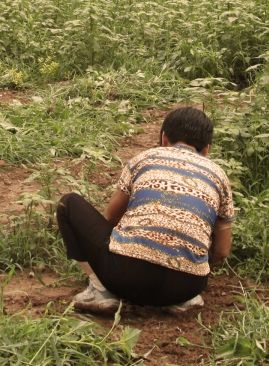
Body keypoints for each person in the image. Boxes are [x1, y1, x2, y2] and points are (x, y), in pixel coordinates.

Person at [55, 106, 234, 315]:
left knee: (68, 203)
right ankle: (182, 300)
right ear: (206, 150)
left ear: (164, 138)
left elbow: (111, 218)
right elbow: (222, 251)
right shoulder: (219, 176)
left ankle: (100, 289)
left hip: (126, 277)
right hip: (186, 288)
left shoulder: (143, 159)